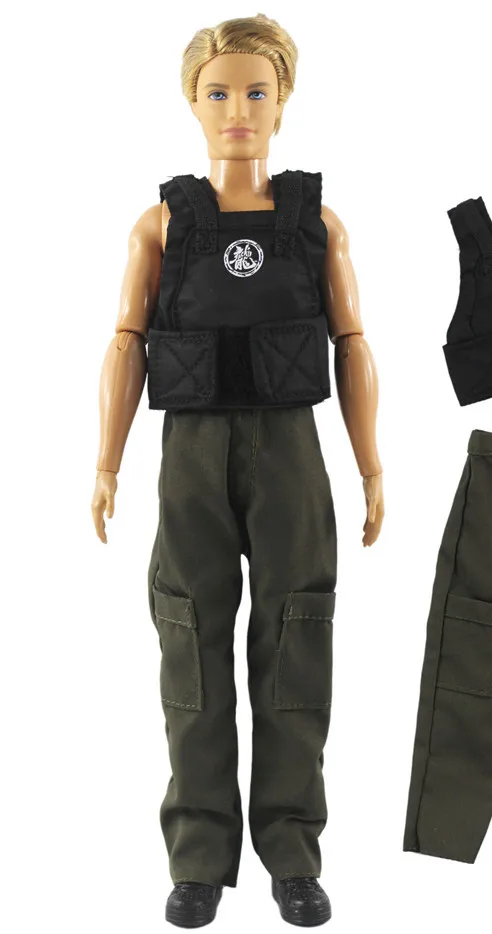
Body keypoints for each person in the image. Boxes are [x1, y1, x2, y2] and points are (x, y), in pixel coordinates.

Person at [91, 14, 383, 928]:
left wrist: (371, 465)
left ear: (284, 102)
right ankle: (198, 860)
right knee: (192, 645)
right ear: (192, 103)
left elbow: (353, 342)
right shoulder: (161, 224)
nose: (238, 110)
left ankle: (293, 854)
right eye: (218, 92)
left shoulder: (317, 224)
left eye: (258, 91)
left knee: (297, 641)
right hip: (191, 453)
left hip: (291, 448)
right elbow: (127, 340)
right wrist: (106, 461)